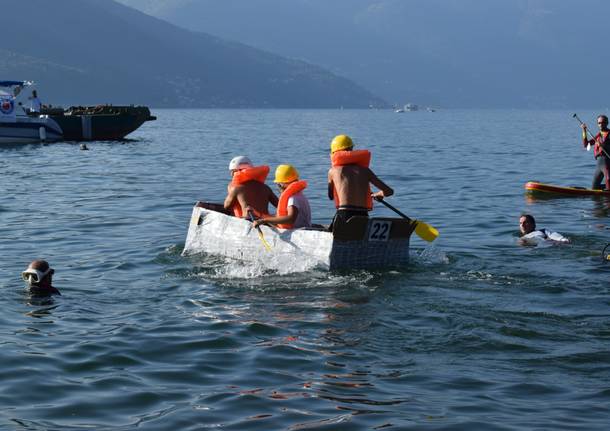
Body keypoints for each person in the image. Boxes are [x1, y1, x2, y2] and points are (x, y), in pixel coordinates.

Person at [327, 134, 393, 230]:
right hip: (363, 216)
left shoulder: (333, 171)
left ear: (335, 153)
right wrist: (378, 194)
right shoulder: (365, 170)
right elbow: (389, 191)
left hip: (344, 215)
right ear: (351, 150)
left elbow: (331, 196)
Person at [252, 164, 311, 229]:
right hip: (304, 227)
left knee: (266, 223)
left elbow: (291, 219)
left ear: (281, 184)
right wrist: (259, 215)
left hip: (298, 231)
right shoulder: (299, 195)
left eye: (278, 184)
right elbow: (280, 217)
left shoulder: (292, 199)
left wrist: (265, 220)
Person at [581, 115, 610, 190]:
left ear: (607, 123)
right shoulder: (598, 136)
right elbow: (586, 145)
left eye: (603, 122)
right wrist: (584, 131)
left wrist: (603, 145)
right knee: (594, 188)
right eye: (599, 123)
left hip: (607, 164)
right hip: (599, 165)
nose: (601, 124)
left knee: (609, 188)